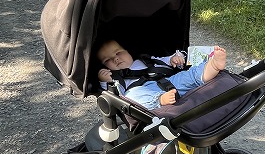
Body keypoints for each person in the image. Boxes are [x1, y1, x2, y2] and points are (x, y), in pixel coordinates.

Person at [97, 39, 227, 110]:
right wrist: (105, 81)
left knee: (188, 75)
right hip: (145, 92)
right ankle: (159, 100)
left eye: (118, 53)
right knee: (130, 97)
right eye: (107, 60)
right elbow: (115, 95)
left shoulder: (144, 60)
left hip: (170, 82)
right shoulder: (116, 78)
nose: (116, 59)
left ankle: (212, 66)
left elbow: (163, 61)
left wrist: (173, 59)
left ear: (128, 51)